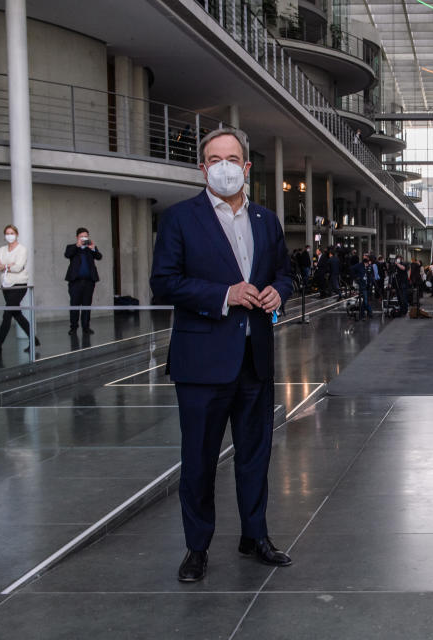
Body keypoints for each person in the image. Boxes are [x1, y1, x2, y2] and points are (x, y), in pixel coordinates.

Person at [149, 127, 294, 583]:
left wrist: (278, 294)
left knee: (255, 455)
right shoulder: (179, 219)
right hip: (202, 362)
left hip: (255, 359)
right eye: (215, 159)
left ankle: (255, 536)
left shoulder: (266, 221)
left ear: (247, 167)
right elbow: (164, 282)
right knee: (199, 459)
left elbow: (285, 274)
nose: (225, 166)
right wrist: (224, 294)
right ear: (203, 167)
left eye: (232, 158)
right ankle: (197, 547)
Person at [0, 224, 38, 356]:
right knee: (16, 314)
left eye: (12, 233)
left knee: (7, 313)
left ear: (16, 234)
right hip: (6, 285)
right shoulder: (2, 249)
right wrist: (8, 266)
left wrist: (3, 266)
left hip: (19, 284)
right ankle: (34, 340)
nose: (9, 235)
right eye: (7, 233)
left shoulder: (22, 249)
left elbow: (18, 268)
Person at [64, 227, 102, 335]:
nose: (84, 238)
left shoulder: (90, 248)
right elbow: (67, 255)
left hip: (89, 281)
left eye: (86, 236)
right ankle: (73, 327)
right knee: (74, 304)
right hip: (75, 281)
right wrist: (77, 245)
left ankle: (86, 327)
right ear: (77, 237)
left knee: (87, 305)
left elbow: (99, 257)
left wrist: (93, 248)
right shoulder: (72, 247)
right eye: (82, 236)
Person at [351, 255, 373, 319]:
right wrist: (356, 277)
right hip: (362, 285)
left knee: (365, 301)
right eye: (367, 264)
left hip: (367, 285)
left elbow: (370, 275)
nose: (368, 265)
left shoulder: (368, 267)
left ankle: (363, 313)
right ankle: (369, 312)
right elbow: (351, 269)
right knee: (365, 301)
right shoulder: (359, 265)